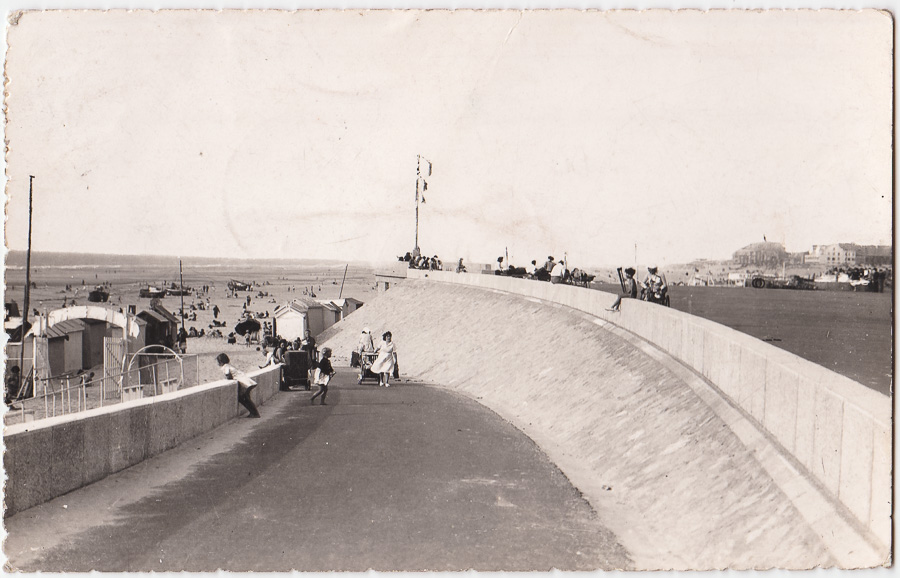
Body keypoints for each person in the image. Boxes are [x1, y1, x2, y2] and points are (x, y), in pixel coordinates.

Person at [216, 353, 260, 418]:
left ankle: (255, 413)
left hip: (245, 384)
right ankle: (254, 413)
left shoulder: (225, 367)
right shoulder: (229, 365)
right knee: (247, 399)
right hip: (248, 382)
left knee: (244, 399)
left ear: (221, 362)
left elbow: (228, 375)